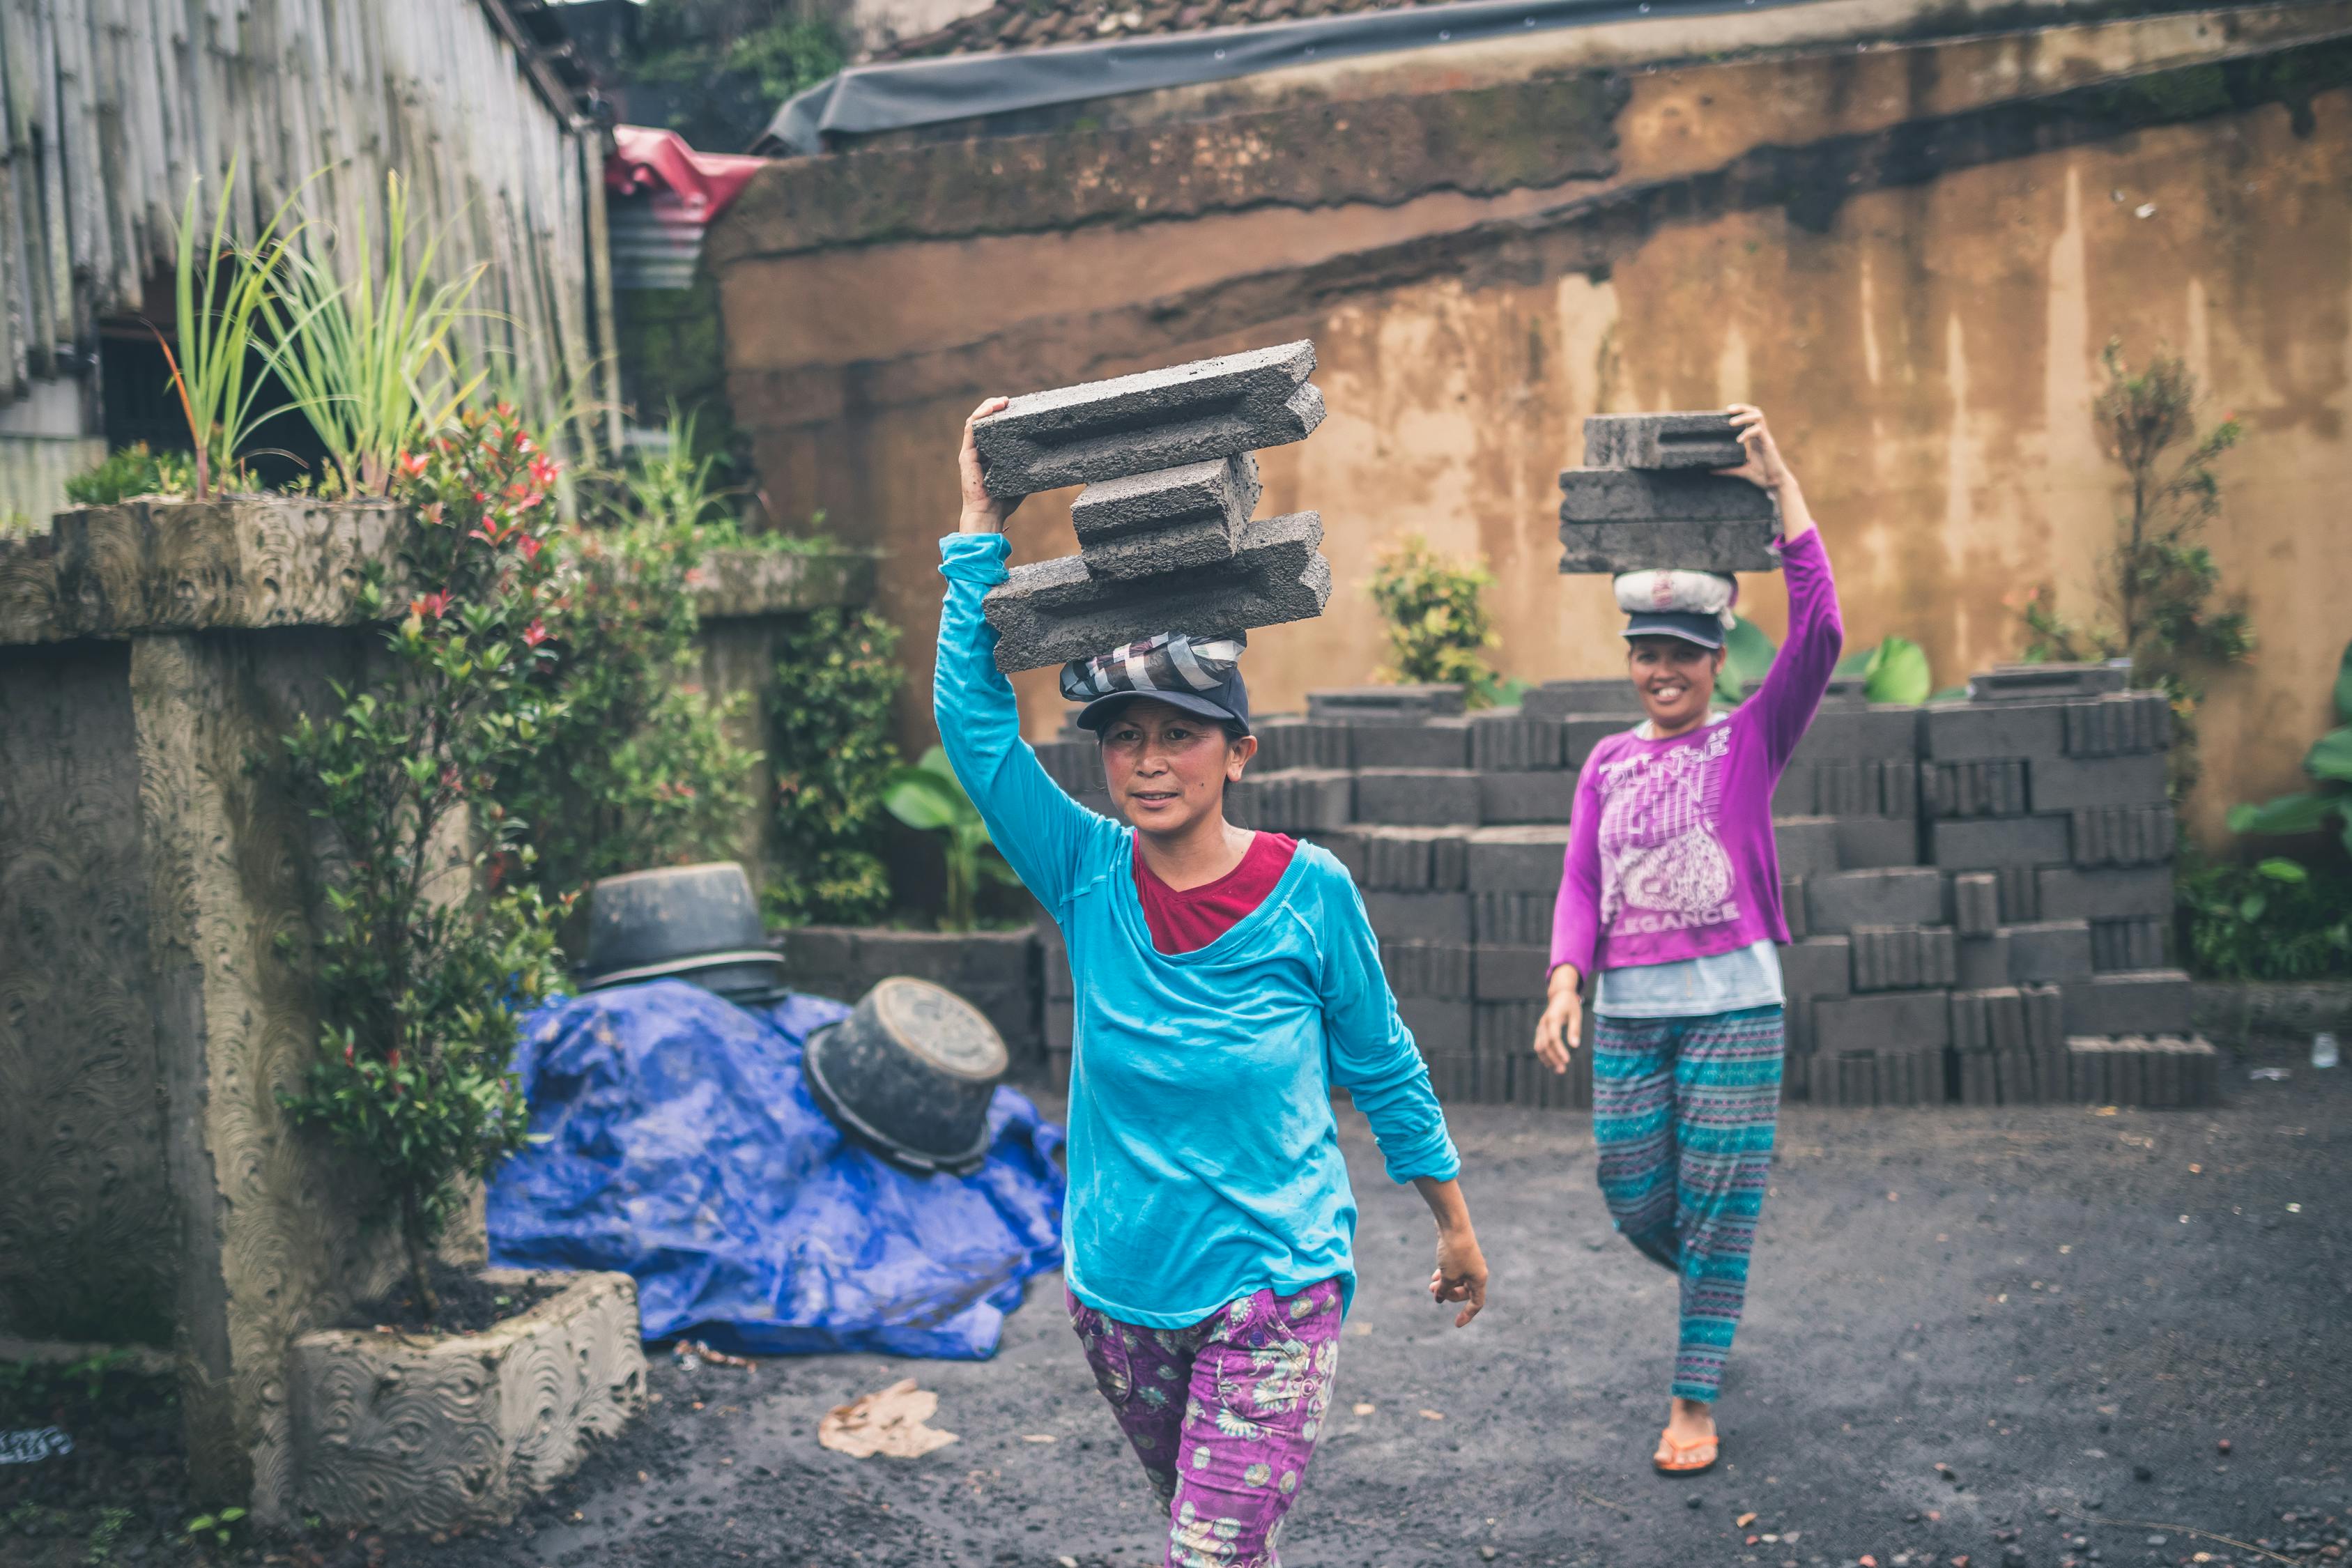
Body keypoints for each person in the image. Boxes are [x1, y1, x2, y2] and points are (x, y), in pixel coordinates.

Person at [937, 397, 1491, 1565]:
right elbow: (978, 736)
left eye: (1180, 733)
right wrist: (979, 525)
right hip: (1121, 1295)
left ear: (1238, 749)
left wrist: (1451, 1221)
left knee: (1210, 1552)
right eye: (1124, 734)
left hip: (1276, 1287)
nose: (1147, 759)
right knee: (1219, 1539)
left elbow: (1381, 1059)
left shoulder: (1311, 894)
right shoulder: (1089, 873)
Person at [1530, 404, 1842, 1478]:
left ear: (1716, 660)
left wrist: (1780, 487)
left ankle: (1694, 1392)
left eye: (1683, 654)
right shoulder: (1607, 762)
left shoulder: (1753, 737)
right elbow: (1581, 878)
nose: (1663, 670)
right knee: (1633, 1190)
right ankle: (1719, 1275)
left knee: (1715, 1198)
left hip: (1736, 1008)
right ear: (1630, 659)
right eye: (1647, 653)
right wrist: (1566, 980)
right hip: (1631, 1009)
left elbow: (1825, 632)